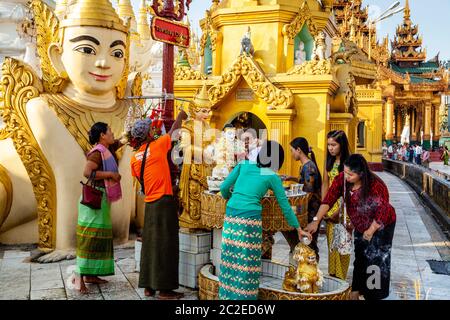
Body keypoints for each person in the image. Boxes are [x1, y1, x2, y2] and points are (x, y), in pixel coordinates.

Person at [218, 140, 312, 300]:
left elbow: (223, 188)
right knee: (247, 263)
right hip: (249, 220)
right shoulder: (272, 176)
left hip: (231, 215)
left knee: (230, 258)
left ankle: (227, 298)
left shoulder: (243, 165)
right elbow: (285, 206)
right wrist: (298, 228)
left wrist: (231, 199)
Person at [306, 154, 397, 300]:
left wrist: (371, 230)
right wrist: (316, 221)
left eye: (350, 174)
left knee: (376, 259)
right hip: (361, 224)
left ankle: (373, 295)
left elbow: (383, 211)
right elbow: (328, 199)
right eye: (345, 172)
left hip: (381, 225)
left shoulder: (376, 185)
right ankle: (355, 291)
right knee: (360, 255)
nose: (346, 176)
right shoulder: (342, 179)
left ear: (361, 173)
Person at [130, 110, 188, 300]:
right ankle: (164, 290)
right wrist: (180, 116)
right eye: (151, 129)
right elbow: (173, 132)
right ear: (147, 134)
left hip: (150, 203)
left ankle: (148, 286)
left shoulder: (134, 158)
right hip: (163, 201)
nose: (154, 130)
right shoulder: (156, 146)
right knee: (166, 244)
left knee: (150, 244)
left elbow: (144, 179)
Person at [74, 122, 123, 293]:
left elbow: (121, 141)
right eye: (110, 131)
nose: (112, 133)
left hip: (101, 200)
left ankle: (91, 275)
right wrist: (110, 174)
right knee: (90, 238)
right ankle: (79, 277)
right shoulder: (97, 154)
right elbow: (87, 172)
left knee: (99, 238)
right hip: (93, 201)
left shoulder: (107, 149)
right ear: (102, 135)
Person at [281, 137, 322, 257]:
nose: (291, 153)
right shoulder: (305, 166)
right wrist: (290, 178)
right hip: (307, 210)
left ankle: (312, 270)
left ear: (298, 150)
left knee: (309, 242)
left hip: (311, 211)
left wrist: (296, 207)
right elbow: (304, 183)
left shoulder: (309, 167)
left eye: (292, 150)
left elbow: (309, 193)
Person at [321, 130, 351, 280]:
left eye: (333, 145)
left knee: (342, 245)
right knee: (331, 244)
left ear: (342, 145)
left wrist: (339, 211)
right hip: (330, 207)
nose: (330, 148)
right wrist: (323, 209)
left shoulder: (349, 164)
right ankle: (332, 276)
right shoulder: (329, 162)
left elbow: (350, 191)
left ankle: (341, 278)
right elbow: (325, 185)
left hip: (344, 209)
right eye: (328, 145)